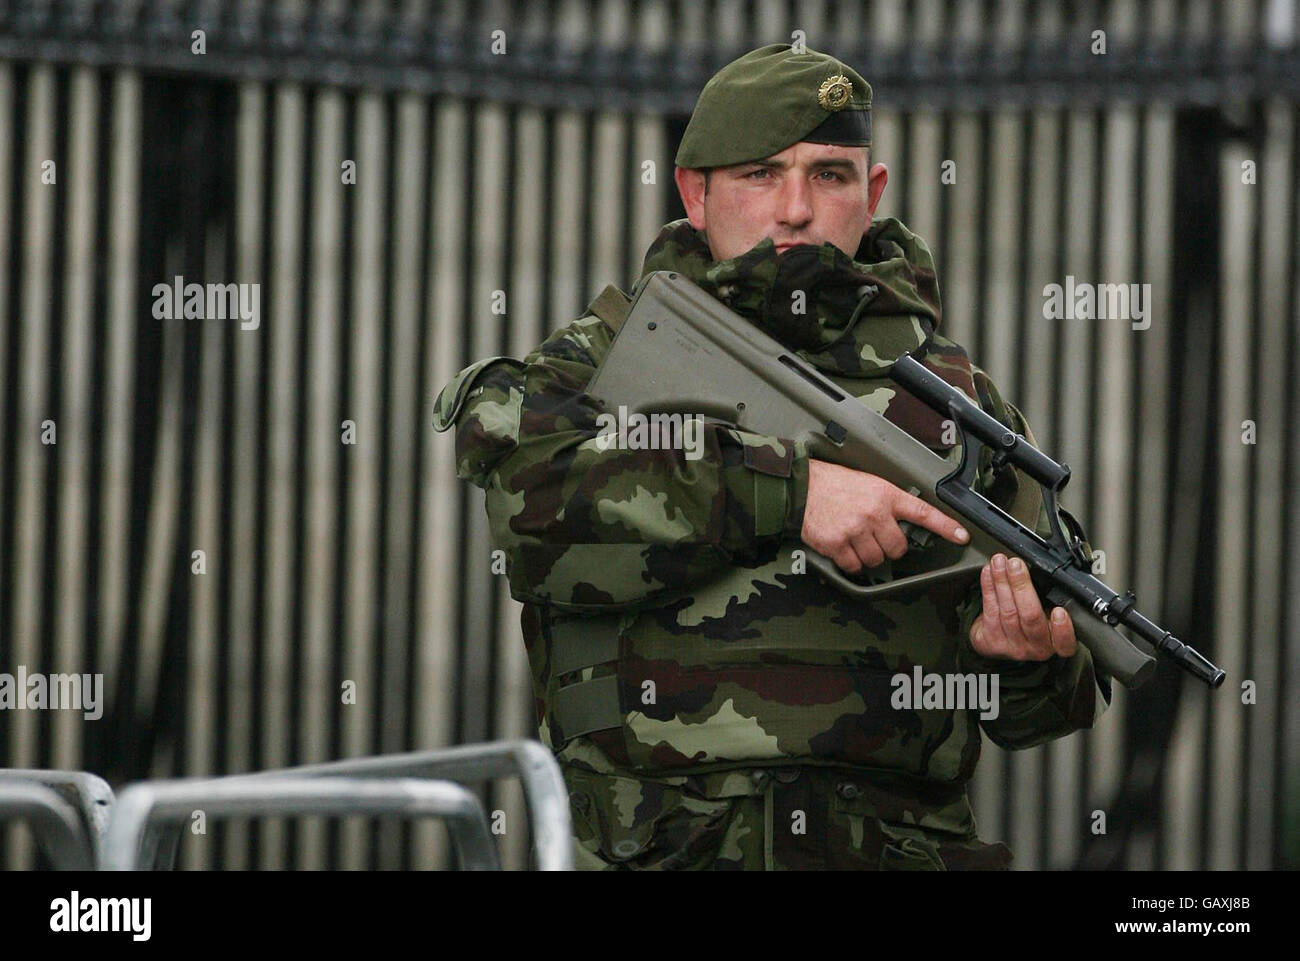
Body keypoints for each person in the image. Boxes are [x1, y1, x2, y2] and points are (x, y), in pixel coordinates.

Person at [433, 43, 1111, 870]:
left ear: (874, 192)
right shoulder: (599, 361)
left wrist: (1028, 657)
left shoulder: (953, 402)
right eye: (760, 173)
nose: (796, 208)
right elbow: (533, 503)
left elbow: (1046, 712)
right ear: (695, 192)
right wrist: (791, 494)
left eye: (829, 174)